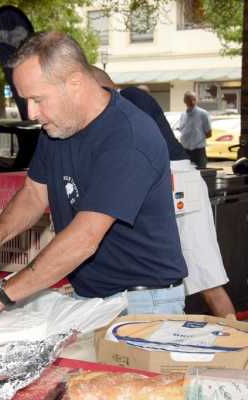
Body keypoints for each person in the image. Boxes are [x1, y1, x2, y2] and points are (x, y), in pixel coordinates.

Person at [0, 32, 188, 328]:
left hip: (143, 304)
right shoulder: (57, 127)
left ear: (75, 83)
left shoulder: (128, 138)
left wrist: (1, 297)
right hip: (90, 298)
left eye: (37, 99)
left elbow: (84, 239)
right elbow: (33, 194)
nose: (31, 112)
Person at [90, 66, 235, 318]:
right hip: (164, 184)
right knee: (189, 278)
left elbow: (140, 151)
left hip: (176, 183)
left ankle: (239, 347)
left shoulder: (131, 99)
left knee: (207, 280)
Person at [179, 91, 212, 168]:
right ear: (185, 101)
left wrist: (197, 139)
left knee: (201, 173)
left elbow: (209, 133)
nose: (192, 102)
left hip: (198, 150)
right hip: (185, 150)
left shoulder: (203, 114)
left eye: (194, 99)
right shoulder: (183, 115)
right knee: (186, 174)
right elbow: (182, 130)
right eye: (189, 99)